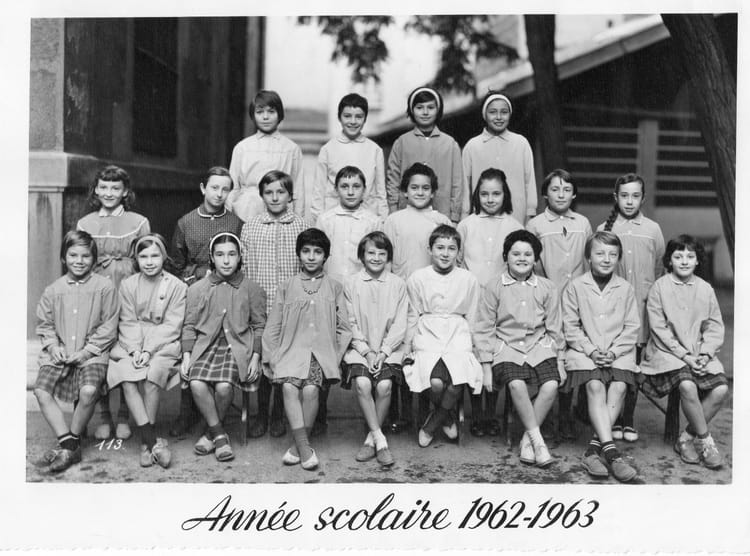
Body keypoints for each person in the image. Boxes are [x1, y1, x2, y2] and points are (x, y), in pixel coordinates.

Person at [262, 228, 352, 471]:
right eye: (306, 251)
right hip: (291, 350)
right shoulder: (287, 286)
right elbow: (274, 325)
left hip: (321, 353)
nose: (311, 257)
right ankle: (304, 448)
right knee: (289, 388)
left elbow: (344, 328)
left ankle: (298, 446)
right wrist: (271, 355)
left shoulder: (334, 287)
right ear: (298, 254)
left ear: (326, 256)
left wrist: (335, 356)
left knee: (311, 390)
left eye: (318, 252)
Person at [476, 230, 564, 467]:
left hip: (539, 346)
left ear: (536, 259)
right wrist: (486, 367)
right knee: (516, 383)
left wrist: (560, 361)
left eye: (528, 254)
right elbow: (484, 328)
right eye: (516, 254)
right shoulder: (494, 286)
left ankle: (528, 439)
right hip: (507, 346)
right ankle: (539, 443)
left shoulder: (547, 287)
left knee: (551, 385)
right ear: (506, 256)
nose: (522, 258)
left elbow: (555, 327)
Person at [640, 235, 728, 469]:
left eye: (690, 256)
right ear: (669, 261)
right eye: (678, 257)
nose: (685, 261)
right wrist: (685, 356)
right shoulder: (660, 287)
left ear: (698, 260)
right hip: (666, 352)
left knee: (721, 389)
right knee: (687, 385)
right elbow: (659, 330)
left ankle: (686, 438)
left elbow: (714, 326)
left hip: (698, 352)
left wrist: (706, 353)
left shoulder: (705, 289)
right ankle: (706, 442)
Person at [33, 231, 119, 472]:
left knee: (89, 391)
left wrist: (87, 351)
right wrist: (53, 346)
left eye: (85, 256)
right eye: (73, 255)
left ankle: (69, 445)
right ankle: (69, 444)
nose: (79, 261)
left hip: (93, 352)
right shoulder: (53, 290)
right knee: (41, 391)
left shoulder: (105, 287)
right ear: (64, 257)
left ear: (94, 259)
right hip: (61, 351)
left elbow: (109, 325)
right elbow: (45, 324)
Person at [77, 165, 150, 442]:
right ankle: (104, 415)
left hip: (129, 292)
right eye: (104, 187)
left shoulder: (138, 221)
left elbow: (146, 260)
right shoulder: (86, 223)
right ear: (96, 190)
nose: (109, 193)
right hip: (98, 293)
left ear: (125, 192)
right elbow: (79, 259)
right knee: (101, 353)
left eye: (115, 188)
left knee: (127, 351)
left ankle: (123, 415)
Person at [561, 231, 640, 482]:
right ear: (588, 257)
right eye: (600, 253)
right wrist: (592, 351)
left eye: (612, 254)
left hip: (618, 350)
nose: (606, 259)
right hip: (586, 350)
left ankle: (594, 450)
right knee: (594, 385)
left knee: (619, 386)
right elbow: (570, 327)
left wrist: (614, 351)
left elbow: (632, 327)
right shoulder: (575, 286)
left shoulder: (625, 288)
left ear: (618, 258)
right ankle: (613, 454)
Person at [170, 166, 244, 437]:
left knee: (220, 343)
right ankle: (186, 412)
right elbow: (177, 262)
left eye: (225, 189)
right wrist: (191, 281)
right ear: (203, 188)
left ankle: (213, 414)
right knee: (193, 345)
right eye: (214, 187)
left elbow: (240, 259)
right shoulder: (186, 222)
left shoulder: (236, 223)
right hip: (196, 289)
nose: (219, 194)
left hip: (227, 289)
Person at [181, 233, 267, 462]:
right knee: (196, 383)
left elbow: (259, 326)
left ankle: (210, 432)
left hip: (236, 347)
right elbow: (189, 326)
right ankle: (219, 435)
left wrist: (256, 357)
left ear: (240, 257)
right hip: (206, 346)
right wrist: (187, 357)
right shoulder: (197, 289)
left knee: (223, 387)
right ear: (212, 258)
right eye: (220, 255)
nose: (226, 261)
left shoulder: (252, 288)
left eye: (231, 254)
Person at [107, 234, 187, 468]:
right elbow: (128, 321)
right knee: (127, 377)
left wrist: (149, 351)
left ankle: (146, 442)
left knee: (152, 376)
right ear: (136, 259)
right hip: (131, 342)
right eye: (143, 257)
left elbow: (172, 325)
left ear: (164, 257)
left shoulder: (177, 286)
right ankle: (151, 441)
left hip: (163, 343)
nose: (149, 262)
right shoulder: (128, 285)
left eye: (155, 256)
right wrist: (134, 350)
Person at [383, 163, 451, 431]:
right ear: (404, 191)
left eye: (425, 188)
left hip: (431, 297)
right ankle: (398, 414)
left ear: (433, 192)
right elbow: (387, 258)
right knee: (402, 349)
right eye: (414, 187)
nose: (420, 192)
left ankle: (427, 411)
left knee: (425, 352)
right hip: (402, 293)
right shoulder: (394, 220)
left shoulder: (441, 221)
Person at [526, 169, 592, 440]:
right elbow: (531, 263)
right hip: (547, 298)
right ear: (545, 194)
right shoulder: (536, 225)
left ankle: (566, 415)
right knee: (550, 352)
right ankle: (541, 415)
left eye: (567, 189)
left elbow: (588, 260)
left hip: (576, 299)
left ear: (574, 194)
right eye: (555, 189)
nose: (561, 194)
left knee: (572, 353)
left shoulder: (583, 223)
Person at [599, 173, 665, 443]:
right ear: (615, 197)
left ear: (643, 198)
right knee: (613, 362)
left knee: (633, 365)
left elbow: (659, 267)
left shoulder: (652, 229)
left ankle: (628, 419)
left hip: (641, 306)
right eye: (624, 196)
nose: (629, 201)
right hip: (612, 308)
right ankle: (610, 419)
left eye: (635, 196)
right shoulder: (605, 228)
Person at [403, 225, 483, 447]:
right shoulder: (418, 278)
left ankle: (432, 423)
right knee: (435, 383)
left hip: (458, 333)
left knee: (459, 378)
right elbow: (412, 313)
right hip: (428, 332)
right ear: (430, 250)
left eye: (451, 248)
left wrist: (476, 345)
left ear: (458, 252)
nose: (445, 253)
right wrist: (407, 344)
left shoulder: (468, 279)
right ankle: (446, 415)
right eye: (440, 248)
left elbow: (473, 314)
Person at [457, 168, 523, 438]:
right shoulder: (466, 225)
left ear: (505, 194)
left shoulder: (514, 226)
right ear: (477, 195)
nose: (490, 199)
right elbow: (459, 261)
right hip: (473, 298)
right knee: (474, 350)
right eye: (484, 194)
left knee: (495, 351)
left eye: (496, 193)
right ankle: (477, 413)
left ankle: (492, 413)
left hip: (502, 298)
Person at [240, 170, 305, 439]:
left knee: (284, 360)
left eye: (281, 192)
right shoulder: (251, 226)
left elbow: (307, 265)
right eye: (269, 192)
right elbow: (245, 267)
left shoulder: (301, 225)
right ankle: (261, 415)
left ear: (290, 195)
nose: (275, 197)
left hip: (290, 305)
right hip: (261, 305)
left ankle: (279, 414)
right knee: (262, 358)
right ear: (262, 196)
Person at [342, 232, 407, 467]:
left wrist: (383, 352)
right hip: (360, 349)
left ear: (388, 257)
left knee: (384, 386)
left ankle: (371, 439)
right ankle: (381, 439)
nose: (376, 258)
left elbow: (401, 323)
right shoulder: (351, 284)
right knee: (363, 383)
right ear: (361, 256)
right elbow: (349, 323)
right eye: (371, 252)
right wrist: (367, 352)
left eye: (382, 253)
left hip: (389, 349)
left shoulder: (398, 284)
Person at [386, 87, 463, 223]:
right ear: (412, 110)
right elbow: (393, 180)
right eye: (419, 107)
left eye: (430, 107)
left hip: (442, 213)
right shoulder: (402, 142)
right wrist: (393, 211)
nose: (425, 112)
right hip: (406, 215)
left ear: (438, 110)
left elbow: (457, 184)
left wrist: (455, 218)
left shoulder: (450, 144)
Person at [227, 90, 305, 222]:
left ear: (280, 114)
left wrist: (298, 220)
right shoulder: (242, 147)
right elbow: (233, 187)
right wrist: (229, 219)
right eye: (259, 112)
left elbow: (298, 190)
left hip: (280, 210)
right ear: (253, 115)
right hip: (247, 209)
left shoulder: (291, 148)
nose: (265, 117)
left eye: (271, 112)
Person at [461, 91, 536, 223]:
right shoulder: (472, 147)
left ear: (510, 114)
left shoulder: (521, 143)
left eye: (504, 112)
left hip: (516, 217)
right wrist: (465, 215)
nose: (499, 117)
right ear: (484, 115)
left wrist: (530, 214)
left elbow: (529, 182)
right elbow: (465, 187)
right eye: (493, 112)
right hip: (481, 220)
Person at [311, 93, 387, 221]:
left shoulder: (375, 150)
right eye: (347, 116)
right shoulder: (327, 149)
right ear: (339, 117)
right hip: (334, 219)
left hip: (366, 219)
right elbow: (319, 190)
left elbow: (381, 192)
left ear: (365, 119)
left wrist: (382, 220)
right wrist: (320, 220)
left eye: (358, 117)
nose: (353, 121)